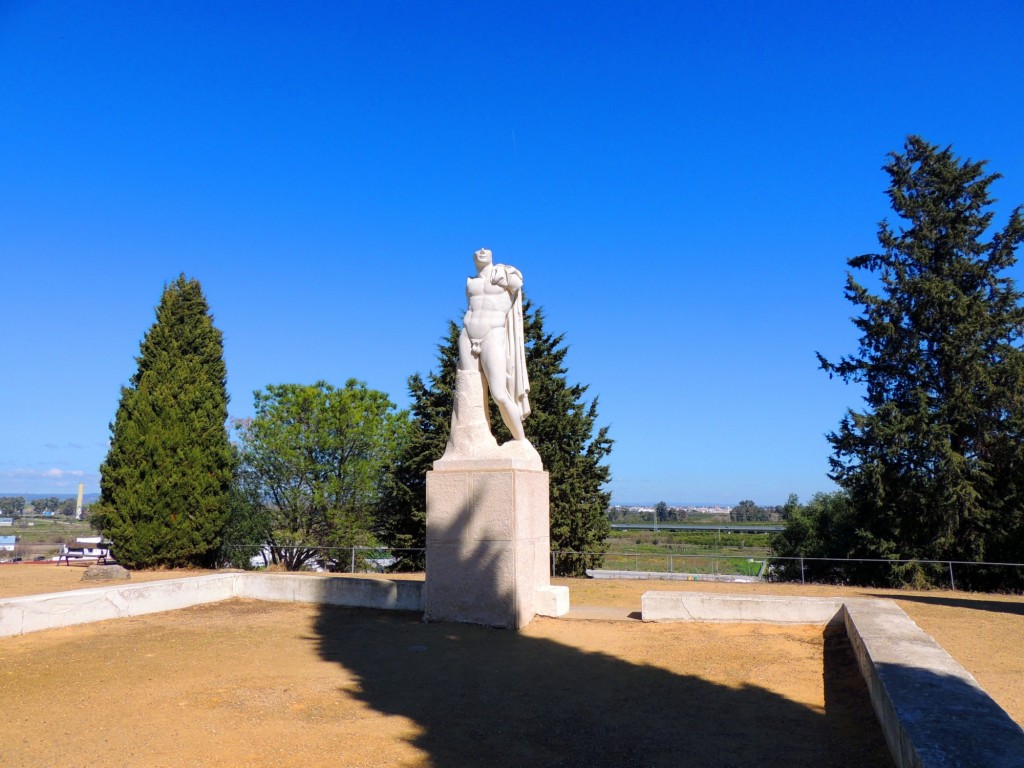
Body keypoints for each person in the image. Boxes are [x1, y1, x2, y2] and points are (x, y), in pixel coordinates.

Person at [458, 248, 531, 442]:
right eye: (477, 251)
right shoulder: (470, 282)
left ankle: (521, 441)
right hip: (467, 333)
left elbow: (517, 283)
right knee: (469, 390)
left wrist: (506, 272)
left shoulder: (503, 273)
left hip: (493, 332)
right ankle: (475, 441)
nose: (482, 250)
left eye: (486, 250)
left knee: (499, 394)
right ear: (472, 257)